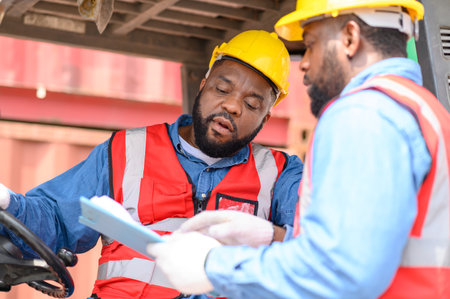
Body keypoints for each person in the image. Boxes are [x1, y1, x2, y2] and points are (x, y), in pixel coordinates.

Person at [147, 0, 450, 298]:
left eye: (312, 44)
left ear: (349, 37)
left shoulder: (363, 114)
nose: (304, 63)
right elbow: (372, 243)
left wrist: (214, 266)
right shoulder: (425, 110)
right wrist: (275, 237)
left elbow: (341, 272)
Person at [0, 30, 303, 298]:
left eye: (252, 105)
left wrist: (269, 237)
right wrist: (9, 204)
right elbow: (55, 218)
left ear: (266, 118)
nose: (233, 106)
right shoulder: (127, 150)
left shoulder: (281, 175)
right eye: (222, 90)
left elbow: (316, 250)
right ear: (203, 85)